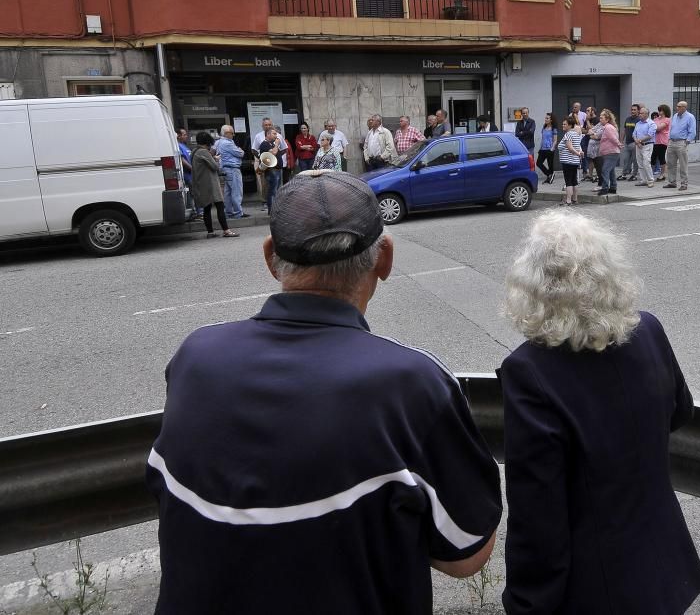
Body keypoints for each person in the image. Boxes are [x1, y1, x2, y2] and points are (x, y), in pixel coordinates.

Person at [148, 171, 502, 614]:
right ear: (385, 259)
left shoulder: (194, 356)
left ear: (270, 258)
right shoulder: (412, 383)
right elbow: (468, 554)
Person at [499, 210, 700, 614]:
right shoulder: (648, 329)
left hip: (596, 589)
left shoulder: (530, 371)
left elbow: (538, 518)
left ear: (532, 287)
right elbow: (679, 413)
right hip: (664, 564)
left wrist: (527, 604)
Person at [191, 132, 238, 238]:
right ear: (207, 141)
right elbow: (215, 167)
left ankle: (210, 232)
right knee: (220, 205)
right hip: (210, 184)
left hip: (201, 183)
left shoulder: (195, 151)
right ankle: (226, 230)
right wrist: (216, 160)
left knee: (207, 208)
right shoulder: (203, 152)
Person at [214, 124, 245, 219]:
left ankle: (228, 212)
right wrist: (240, 150)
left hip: (225, 169)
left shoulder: (218, 142)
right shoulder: (228, 143)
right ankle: (238, 212)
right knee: (236, 191)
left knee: (228, 192)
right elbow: (240, 153)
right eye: (232, 133)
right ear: (226, 133)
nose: (233, 134)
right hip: (232, 169)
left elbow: (213, 151)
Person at [666, 101, 696, 191]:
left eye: (679, 106)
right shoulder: (675, 116)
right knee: (671, 164)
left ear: (684, 107)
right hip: (672, 142)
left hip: (681, 142)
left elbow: (692, 131)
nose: (677, 108)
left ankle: (684, 183)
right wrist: (669, 138)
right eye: (677, 106)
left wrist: (687, 141)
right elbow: (671, 128)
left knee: (683, 164)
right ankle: (672, 182)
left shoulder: (690, 117)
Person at [593, 108, 621, 195]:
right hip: (609, 152)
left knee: (604, 170)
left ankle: (605, 188)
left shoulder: (608, 127)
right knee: (611, 170)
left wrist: (619, 144)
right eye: (600, 117)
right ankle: (613, 187)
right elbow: (598, 136)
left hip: (611, 152)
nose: (600, 119)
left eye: (602, 117)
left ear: (607, 119)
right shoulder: (606, 127)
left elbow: (613, 138)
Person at [557, 116, 584, 206]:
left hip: (568, 161)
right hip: (575, 162)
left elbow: (570, 148)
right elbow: (577, 147)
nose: (563, 125)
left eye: (565, 124)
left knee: (568, 181)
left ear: (570, 125)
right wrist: (579, 153)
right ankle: (575, 199)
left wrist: (577, 153)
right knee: (574, 181)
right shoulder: (576, 135)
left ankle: (568, 201)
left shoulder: (568, 134)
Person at [176, 128, 200, 219]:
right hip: (188, 175)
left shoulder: (184, 145)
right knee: (193, 194)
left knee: (194, 193)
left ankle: (198, 212)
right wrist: (192, 169)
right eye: (184, 134)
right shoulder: (178, 146)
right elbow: (182, 160)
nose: (186, 136)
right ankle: (196, 213)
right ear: (178, 136)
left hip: (192, 174)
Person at [259, 128, 283, 213]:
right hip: (272, 170)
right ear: (268, 134)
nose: (276, 136)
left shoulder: (271, 144)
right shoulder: (265, 144)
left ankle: (275, 209)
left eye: (276, 134)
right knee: (272, 191)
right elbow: (273, 153)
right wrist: (276, 144)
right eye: (274, 134)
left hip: (277, 170)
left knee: (276, 190)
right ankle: (272, 210)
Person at [633, 106, 657, 187]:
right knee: (640, 163)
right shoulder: (638, 123)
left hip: (647, 145)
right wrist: (637, 141)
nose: (639, 114)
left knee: (646, 163)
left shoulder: (651, 124)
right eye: (639, 113)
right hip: (638, 145)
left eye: (641, 113)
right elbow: (634, 134)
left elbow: (650, 135)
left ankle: (650, 180)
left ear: (646, 114)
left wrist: (639, 141)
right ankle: (643, 180)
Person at [619, 103, 640, 180]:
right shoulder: (627, 119)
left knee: (635, 160)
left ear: (638, 111)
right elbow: (624, 130)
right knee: (626, 159)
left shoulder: (639, 120)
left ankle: (634, 175)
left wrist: (638, 142)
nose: (633, 111)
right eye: (632, 110)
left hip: (635, 143)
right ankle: (624, 174)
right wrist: (621, 141)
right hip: (627, 143)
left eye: (634, 110)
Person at [536, 112, 558, 184]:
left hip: (549, 149)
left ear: (551, 120)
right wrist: (540, 148)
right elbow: (543, 139)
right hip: (543, 149)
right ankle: (549, 175)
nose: (545, 119)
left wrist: (552, 149)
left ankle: (549, 178)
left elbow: (555, 140)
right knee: (538, 163)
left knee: (550, 165)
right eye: (545, 118)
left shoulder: (553, 129)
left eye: (547, 118)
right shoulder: (544, 127)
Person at [653, 104, 671, 183]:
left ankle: (663, 174)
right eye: (659, 110)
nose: (659, 112)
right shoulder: (656, 119)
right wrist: (655, 125)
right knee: (653, 157)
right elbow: (652, 127)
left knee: (661, 157)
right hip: (655, 141)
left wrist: (655, 126)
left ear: (665, 111)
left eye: (661, 110)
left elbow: (658, 128)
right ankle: (651, 174)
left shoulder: (667, 119)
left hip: (662, 141)